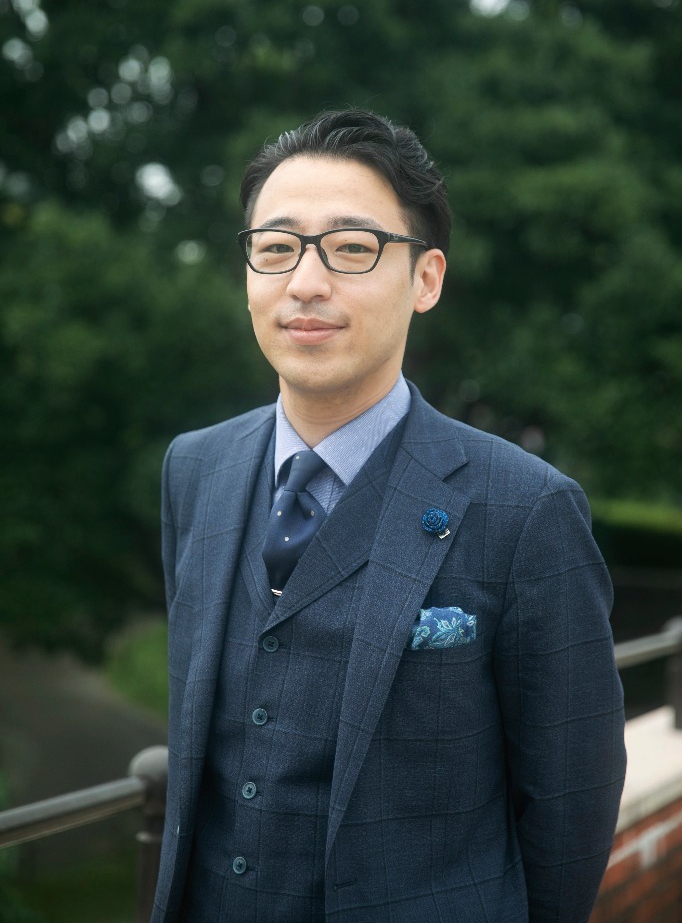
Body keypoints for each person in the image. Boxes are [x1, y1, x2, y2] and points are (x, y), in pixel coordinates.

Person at [152, 108, 626, 923]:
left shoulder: (526, 509)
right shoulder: (195, 468)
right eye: (277, 248)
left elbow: (570, 805)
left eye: (351, 248)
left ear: (426, 279)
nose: (306, 282)